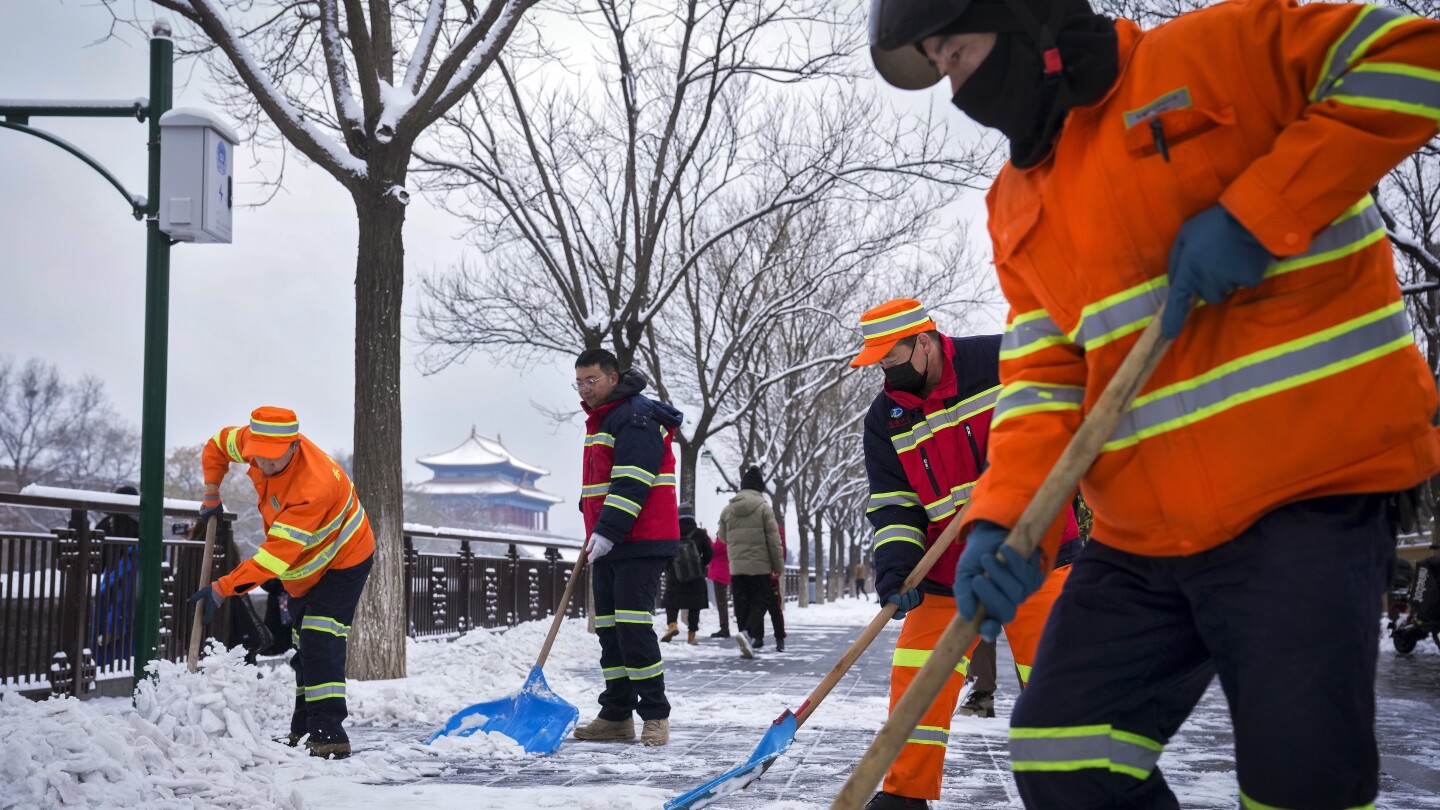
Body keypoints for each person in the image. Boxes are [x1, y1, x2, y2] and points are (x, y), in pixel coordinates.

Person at [869, 1, 1440, 808]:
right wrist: (1006, 518)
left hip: (1311, 489)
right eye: (938, 65)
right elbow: (1042, 378)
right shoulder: (1016, 203)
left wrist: (1264, 209)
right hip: (1143, 536)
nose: (953, 85)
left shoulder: (1213, 54)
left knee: (1298, 777)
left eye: (955, 53)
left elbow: (1412, 56)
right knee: (1063, 750)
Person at [852, 298, 1079, 810]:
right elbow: (894, 503)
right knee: (915, 675)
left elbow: (1057, 426)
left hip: (1032, 551)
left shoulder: (1001, 362)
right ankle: (905, 795)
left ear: (925, 343)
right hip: (944, 567)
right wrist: (896, 568)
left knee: (1055, 678)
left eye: (893, 360)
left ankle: (1075, 789)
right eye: (880, 364)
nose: (888, 374)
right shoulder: (885, 418)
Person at [186, 407, 374, 759]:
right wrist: (212, 490)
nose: (265, 465)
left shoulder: (312, 486)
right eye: (260, 457)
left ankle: (329, 735)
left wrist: (224, 587)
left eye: (273, 459)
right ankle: (302, 731)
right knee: (304, 645)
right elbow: (215, 446)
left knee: (320, 638)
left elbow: (274, 558)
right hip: (305, 567)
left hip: (345, 559)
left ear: (294, 446)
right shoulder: (250, 443)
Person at [570, 348, 684, 747]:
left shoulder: (636, 417)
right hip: (611, 539)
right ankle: (617, 714)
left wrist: (606, 530)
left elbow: (632, 481)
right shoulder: (603, 419)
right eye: (579, 382)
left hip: (642, 538)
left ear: (613, 378)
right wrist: (595, 526)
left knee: (633, 626)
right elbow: (600, 484)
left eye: (592, 381)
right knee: (609, 630)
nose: (585, 389)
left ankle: (655, 714)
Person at [717, 465, 784, 658]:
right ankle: (746, 634)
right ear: (759, 488)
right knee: (760, 600)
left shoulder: (728, 509)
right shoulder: (763, 508)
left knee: (742, 602)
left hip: (737, 566)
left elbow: (723, 537)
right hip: (759, 565)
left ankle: (745, 639)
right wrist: (778, 565)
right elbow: (773, 539)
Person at [661, 502, 714, 645]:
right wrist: (700, 565)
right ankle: (692, 636)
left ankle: (672, 625)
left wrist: (670, 567)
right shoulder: (700, 534)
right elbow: (709, 553)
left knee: (672, 603)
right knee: (694, 606)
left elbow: (665, 552)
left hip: (676, 575)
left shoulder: (672, 531)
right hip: (695, 576)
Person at [707, 534, 732, 638]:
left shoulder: (723, 538)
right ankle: (724, 626)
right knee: (722, 601)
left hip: (720, 573)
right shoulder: (725, 537)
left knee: (721, 601)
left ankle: (724, 627)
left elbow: (714, 550)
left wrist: (707, 539)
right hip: (721, 571)